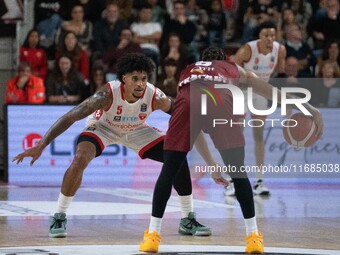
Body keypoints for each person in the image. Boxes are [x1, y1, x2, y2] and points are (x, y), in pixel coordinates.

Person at [138, 46, 324, 254]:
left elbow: (195, 131)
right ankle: (253, 237)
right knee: (239, 173)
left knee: (169, 171)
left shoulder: (189, 69)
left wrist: (211, 164)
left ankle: (153, 236)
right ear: (224, 60)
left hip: (189, 101)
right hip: (222, 102)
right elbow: (271, 92)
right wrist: (309, 108)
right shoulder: (234, 68)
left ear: (202, 60)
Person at [12, 53, 214, 239]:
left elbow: (183, 113)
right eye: (135, 78)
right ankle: (59, 215)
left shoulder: (155, 96)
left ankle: (188, 219)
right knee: (79, 160)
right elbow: (70, 116)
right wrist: (41, 145)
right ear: (123, 78)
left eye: (144, 79)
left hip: (136, 129)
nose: (140, 84)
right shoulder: (106, 95)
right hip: (103, 127)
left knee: (176, 157)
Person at [224, 21, 286, 196]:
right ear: (259, 36)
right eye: (266, 35)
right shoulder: (248, 49)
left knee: (259, 136)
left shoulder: (280, 50)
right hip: (242, 91)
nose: (269, 39)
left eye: (272, 35)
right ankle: (231, 181)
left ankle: (259, 182)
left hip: (260, 93)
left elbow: (280, 73)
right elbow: (232, 70)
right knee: (237, 135)